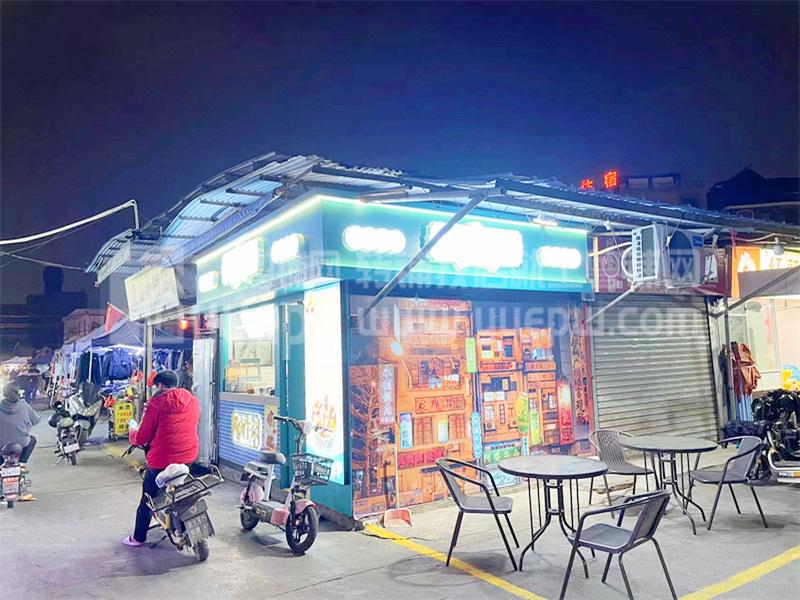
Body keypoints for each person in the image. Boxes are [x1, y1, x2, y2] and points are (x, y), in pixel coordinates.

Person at [122, 370, 200, 547]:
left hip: (161, 461)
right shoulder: (192, 400)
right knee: (182, 490)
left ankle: (138, 538)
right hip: (188, 456)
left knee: (148, 499)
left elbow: (141, 438)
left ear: (161, 385)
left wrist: (132, 431)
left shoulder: (156, 404)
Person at [0, 382, 41, 467]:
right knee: (32, 440)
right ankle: (22, 462)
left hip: (1, 446)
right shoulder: (24, 406)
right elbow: (36, 420)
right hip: (22, 443)